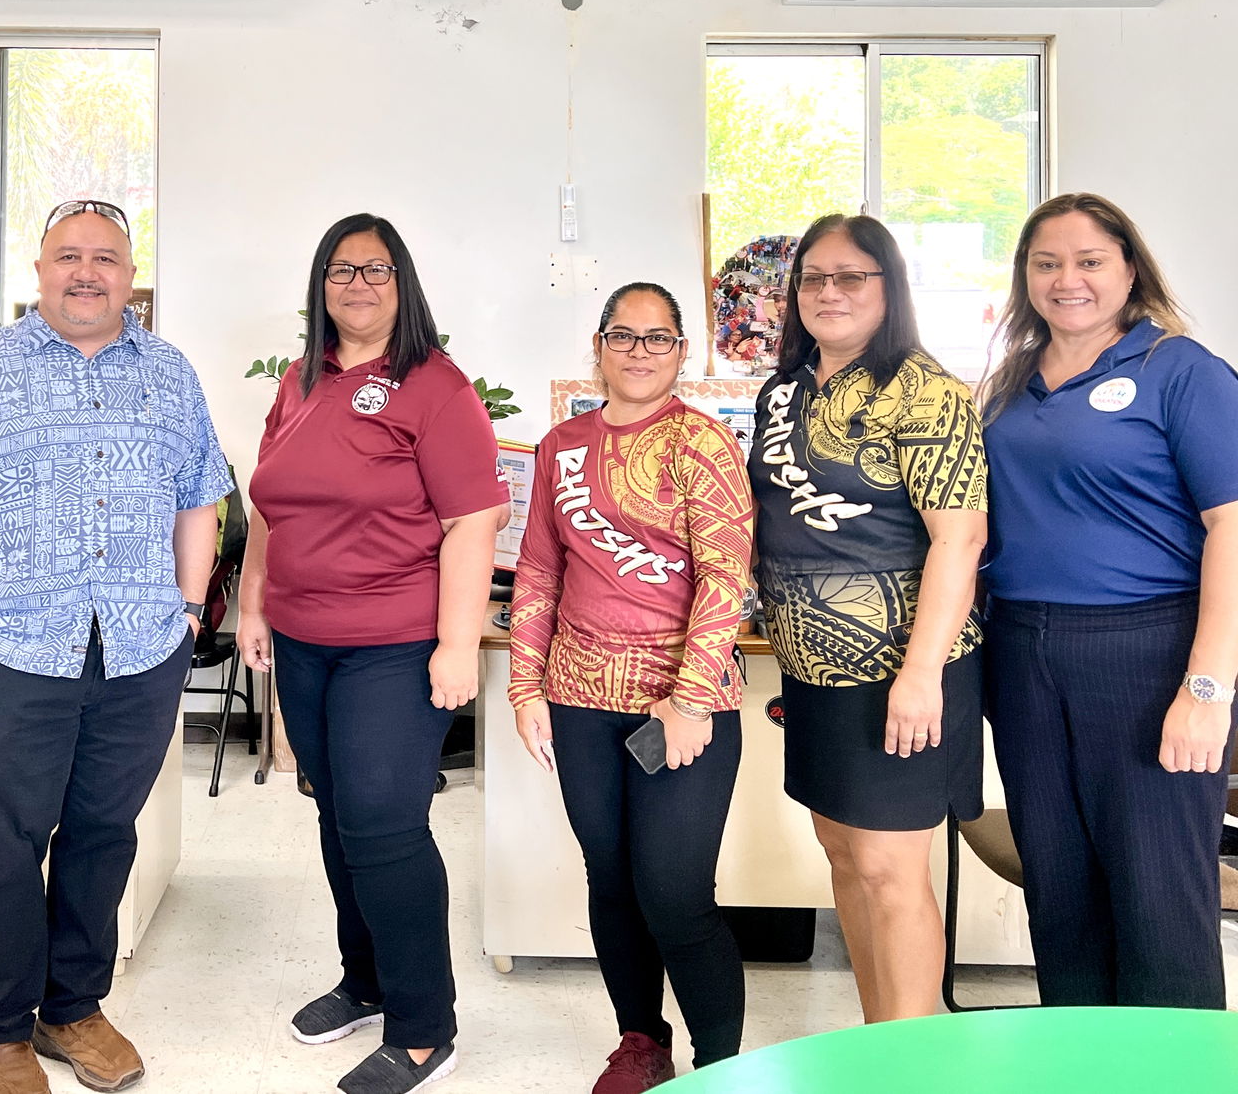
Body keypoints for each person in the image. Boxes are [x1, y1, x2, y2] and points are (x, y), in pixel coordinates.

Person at [0, 199, 230, 1094]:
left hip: (141, 647)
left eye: (105, 258)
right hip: (10, 650)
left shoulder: (170, 371)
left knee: (104, 833)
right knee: (4, 843)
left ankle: (72, 1007)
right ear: (38, 270)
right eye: (69, 255)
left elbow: (201, 495)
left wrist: (187, 613)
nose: (87, 272)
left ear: (130, 275)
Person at [238, 214, 508, 1094]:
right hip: (303, 641)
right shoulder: (300, 380)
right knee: (337, 815)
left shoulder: (436, 387)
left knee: (386, 827)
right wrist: (253, 604)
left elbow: (473, 522)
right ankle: (366, 982)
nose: (358, 284)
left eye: (377, 269)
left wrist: (457, 645)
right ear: (321, 285)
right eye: (341, 269)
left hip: (393, 644)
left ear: (404, 283)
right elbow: (271, 506)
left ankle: (425, 1028)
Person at [980, 192, 1238, 1009]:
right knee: (1059, 895)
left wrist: (1207, 689)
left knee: (1159, 900)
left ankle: (1175, 1067)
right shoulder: (1011, 382)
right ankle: (1079, 1062)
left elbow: (1232, 527)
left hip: (1147, 653)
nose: (1068, 279)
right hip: (1022, 653)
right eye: (1047, 263)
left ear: (1130, 268)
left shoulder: (1180, 370)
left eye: (1090, 260)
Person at [509, 282, 753, 1092]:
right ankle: (642, 1041)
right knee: (610, 879)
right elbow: (539, 569)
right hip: (579, 697)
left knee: (675, 892)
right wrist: (525, 687)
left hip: (681, 704)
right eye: (623, 335)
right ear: (600, 345)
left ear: (682, 350)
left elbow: (725, 576)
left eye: (657, 338)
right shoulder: (561, 446)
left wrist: (690, 698)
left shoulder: (704, 443)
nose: (639, 351)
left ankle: (719, 1068)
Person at [749, 213, 988, 1023]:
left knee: (890, 871)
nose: (830, 291)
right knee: (845, 856)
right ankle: (876, 1041)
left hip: (902, 670)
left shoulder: (927, 391)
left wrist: (921, 675)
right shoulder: (783, 391)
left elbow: (960, 537)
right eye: (814, 277)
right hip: (811, 673)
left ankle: (910, 1064)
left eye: (852, 275)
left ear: (890, 286)